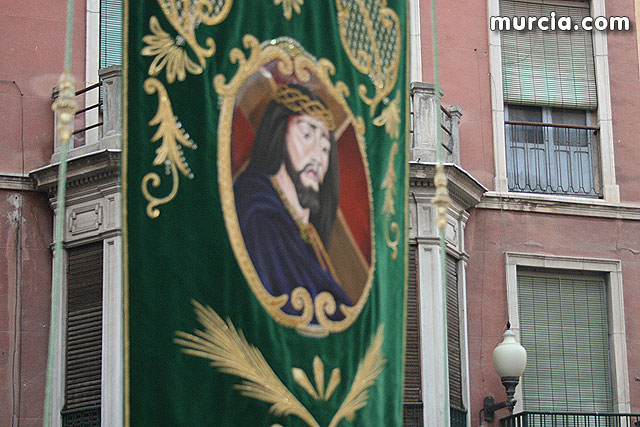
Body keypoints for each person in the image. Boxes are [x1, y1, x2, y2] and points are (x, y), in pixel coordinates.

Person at [233, 83, 352, 321]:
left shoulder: (306, 232)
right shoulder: (258, 214)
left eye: (325, 148)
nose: (317, 156)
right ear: (279, 134)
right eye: (307, 134)